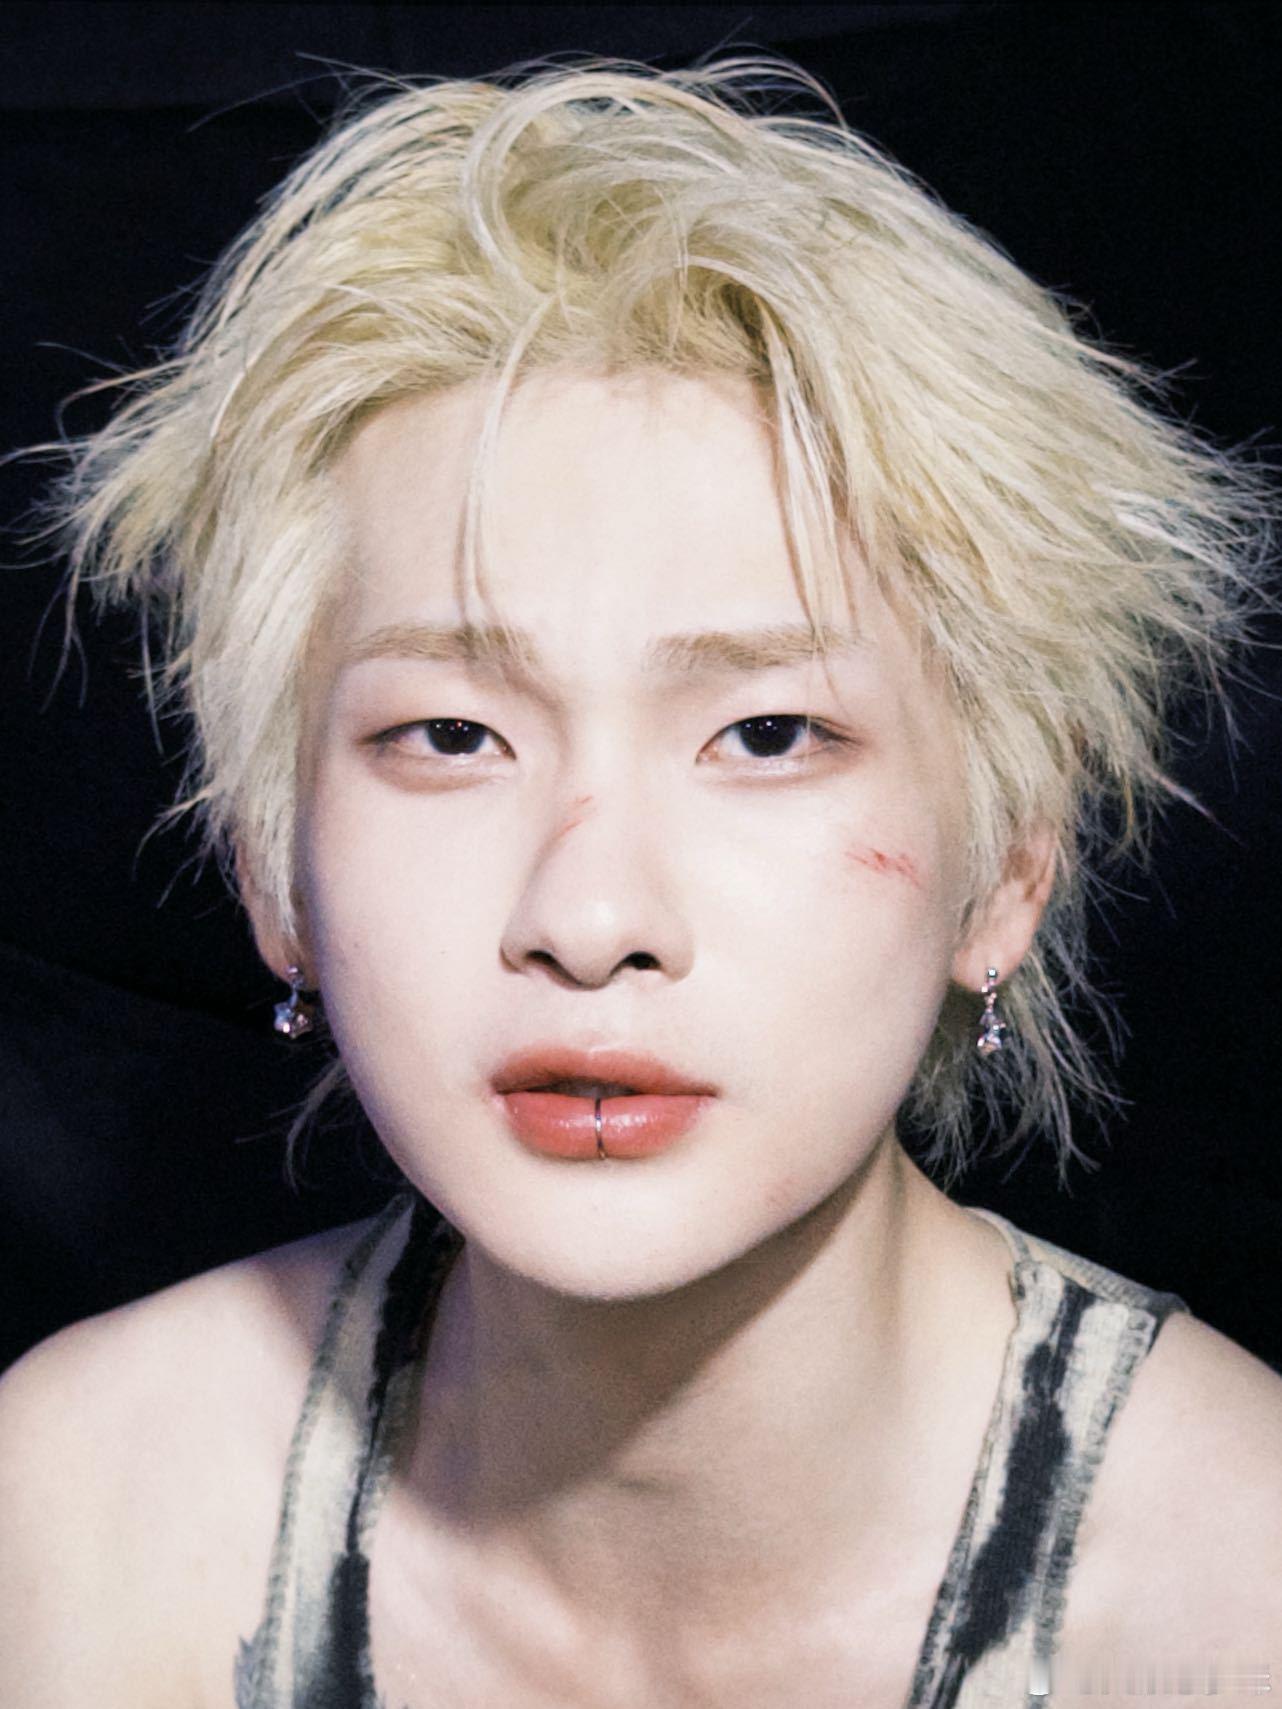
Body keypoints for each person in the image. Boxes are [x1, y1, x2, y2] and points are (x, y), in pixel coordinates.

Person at [1, 55, 1279, 1709]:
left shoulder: (1234, 1602)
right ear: (274, 867)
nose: (590, 920)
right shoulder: (65, 1538)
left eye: (766, 733)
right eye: (450, 734)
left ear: (1006, 866)